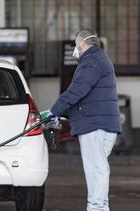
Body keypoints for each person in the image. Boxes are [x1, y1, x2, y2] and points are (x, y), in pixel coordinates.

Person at [48, 28, 122, 211]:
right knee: (100, 168)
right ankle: (101, 207)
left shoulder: (92, 61)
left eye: (75, 45)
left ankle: (96, 208)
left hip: (94, 125)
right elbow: (86, 95)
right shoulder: (99, 59)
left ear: (81, 44)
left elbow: (77, 90)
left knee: (96, 170)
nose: (75, 49)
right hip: (102, 123)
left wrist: (54, 111)